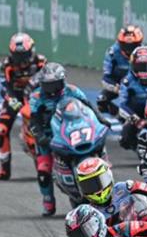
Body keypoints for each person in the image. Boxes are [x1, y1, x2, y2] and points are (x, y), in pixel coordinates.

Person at [28, 63, 110, 216]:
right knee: (43, 171)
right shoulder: (36, 97)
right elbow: (34, 121)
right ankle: (48, 200)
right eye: (48, 85)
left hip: (73, 129)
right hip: (49, 136)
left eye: (54, 85)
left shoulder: (72, 90)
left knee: (97, 143)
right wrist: (40, 136)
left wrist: (101, 120)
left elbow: (89, 107)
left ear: (62, 81)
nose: (51, 90)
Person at [0, 33, 46, 180]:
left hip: (37, 97)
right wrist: (16, 103)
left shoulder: (41, 62)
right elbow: (4, 88)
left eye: (24, 55)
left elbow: (50, 80)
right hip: (15, 98)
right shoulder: (7, 65)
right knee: (0, 131)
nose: (21, 60)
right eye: (17, 56)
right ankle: (4, 169)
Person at [74, 156, 147, 222]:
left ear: (108, 176)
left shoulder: (124, 187)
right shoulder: (90, 214)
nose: (97, 191)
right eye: (89, 186)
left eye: (99, 181)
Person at [98, 25, 144, 114]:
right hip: (118, 85)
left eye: (133, 46)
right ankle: (120, 118)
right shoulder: (112, 53)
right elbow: (106, 77)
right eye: (126, 45)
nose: (129, 50)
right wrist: (115, 87)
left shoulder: (145, 53)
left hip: (138, 87)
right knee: (101, 100)